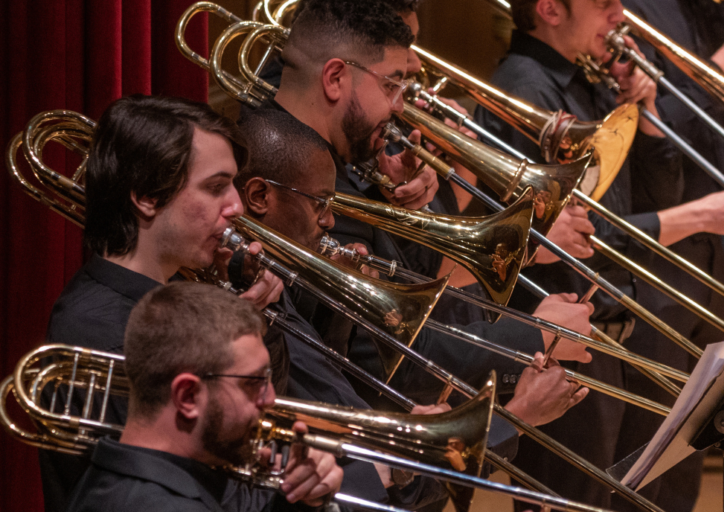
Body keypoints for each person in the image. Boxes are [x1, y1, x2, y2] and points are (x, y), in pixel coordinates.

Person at [475, 0, 724, 509]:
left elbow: (654, 191)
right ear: (549, 9)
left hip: (604, 325)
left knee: (642, 493)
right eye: (606, 4)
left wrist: (649, 111)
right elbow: (583, 238)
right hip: (563, 331)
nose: (620, 15)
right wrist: (698, 216)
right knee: (580, 497)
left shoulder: (588, 81)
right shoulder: (526, 89)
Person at [242, 0, 595, 412]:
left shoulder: (339, 160)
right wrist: (536, 334)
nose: (399, 107)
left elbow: (414, 281)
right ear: (335, 77)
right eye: (391, 85)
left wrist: (404, 194)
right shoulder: (296, 186)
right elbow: (386, 357)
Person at [235, 108, 590, 456]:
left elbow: (422, 272)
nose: (328, 220)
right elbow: (381, 368)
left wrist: (441, 182)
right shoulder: (295, 206)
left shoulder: (355, 170)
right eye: (392, 82)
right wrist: (527, 364)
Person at [41, 95, 284, 512]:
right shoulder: (99, 330)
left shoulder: (174, 295)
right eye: (214, 187)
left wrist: (250, 330)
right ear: (148, 196)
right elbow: (193, 494)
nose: (237, 207)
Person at [605, 1, 724, 510]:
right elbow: (640, 137)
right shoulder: (627, 14)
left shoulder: (713, 12)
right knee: (639, 465)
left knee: (683, 463)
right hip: (651, 254)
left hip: (708, 246)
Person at [65, 281, 343, 512]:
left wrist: (304, 500)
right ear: (188, 396)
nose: (270, 399)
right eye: (253, 383)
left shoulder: (181, 474)